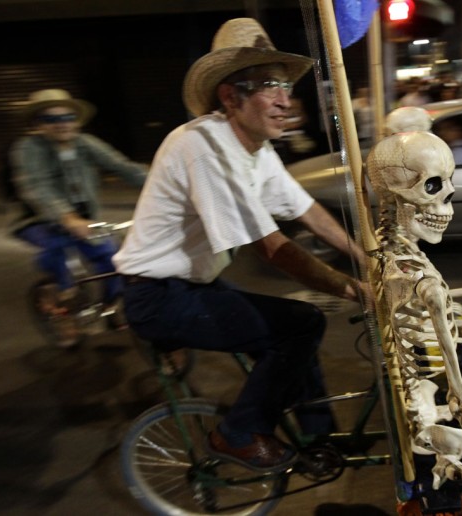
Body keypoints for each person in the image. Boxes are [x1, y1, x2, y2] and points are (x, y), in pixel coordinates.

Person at [113, 18, 368, 473]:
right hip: (156, 297)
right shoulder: (202, 147)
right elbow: (270, 247)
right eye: (268, 85)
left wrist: (367, 258)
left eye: (285, 84)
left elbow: (306, 209)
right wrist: (355, 290)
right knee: (299, 326)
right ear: (230, 97)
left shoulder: (255, 146)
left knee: (296, 331)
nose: (285, 99)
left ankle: (317, 438)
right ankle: (236, 435)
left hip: (194, 286)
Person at [9, 89, 147, 347]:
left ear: (77, 120)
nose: (61, 124)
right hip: (40, 221)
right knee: (58, 252)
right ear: (38, 125)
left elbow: (124, 167)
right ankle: (63, 308)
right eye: (51, 119)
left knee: (114, 260)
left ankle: (109, 307)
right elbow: (38, 187)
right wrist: (68, 218)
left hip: (85, 222)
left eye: (67, 117)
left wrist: (169, 187)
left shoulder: (85, 143)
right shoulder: (29, 148)